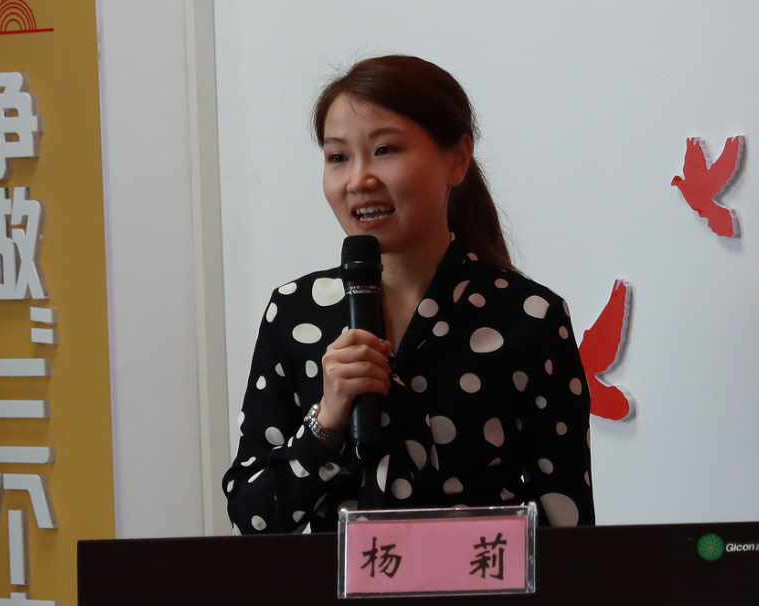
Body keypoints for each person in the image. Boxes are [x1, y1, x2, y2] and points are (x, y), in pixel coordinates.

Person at [222, 55, 594, 534]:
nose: (359, 180)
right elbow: (252, 520)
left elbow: (569, 523)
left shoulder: (529, 316)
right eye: (338, 158)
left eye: (385, 150)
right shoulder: (295, 312)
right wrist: (327, 420)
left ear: (457, 159)